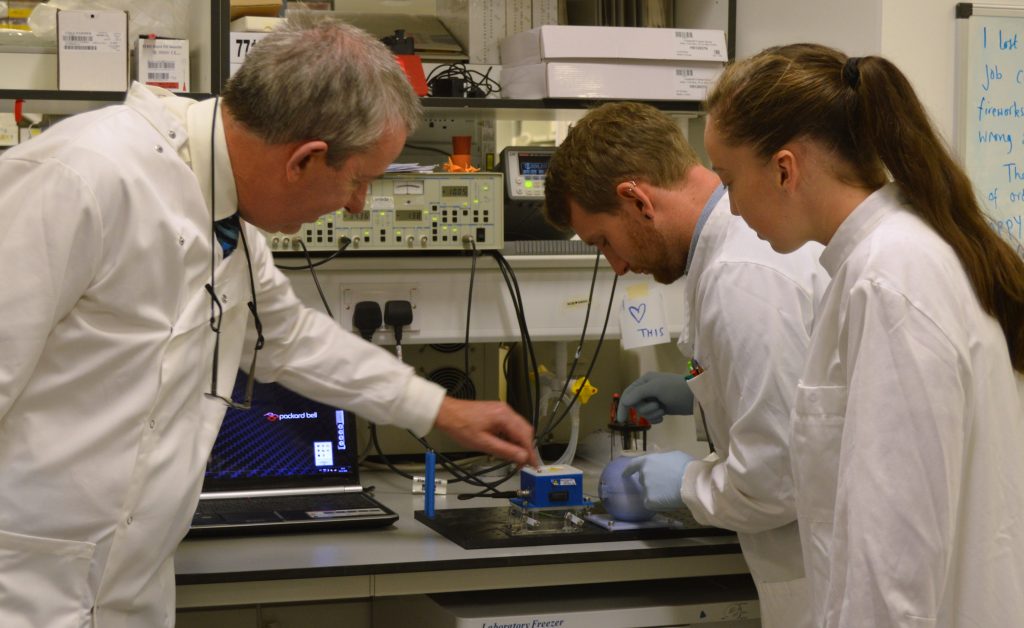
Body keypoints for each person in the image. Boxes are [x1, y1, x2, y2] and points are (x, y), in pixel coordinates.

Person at [0, 14, 537, 627]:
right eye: (359, 181)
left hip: (128, 589)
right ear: (304, 159)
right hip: (23, 583)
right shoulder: (81, 178)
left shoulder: (226, 214)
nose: (359, 205)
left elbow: (290, 339)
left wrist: (442, 410)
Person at [703, 43, 1024, 628]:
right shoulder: (885, 261)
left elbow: (893, 558)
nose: (730, 204)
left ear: (784, 168)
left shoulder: (889, 280)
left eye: (728, 178)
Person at [544, 101, 828, 628]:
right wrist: (692, 391)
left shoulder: (743, 274)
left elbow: (774, 479)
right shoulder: (722, 255)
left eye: (604, 241)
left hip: (823, 572)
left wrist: (684, 485)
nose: (618, 265)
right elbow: (769, 389)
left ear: (636, 200)